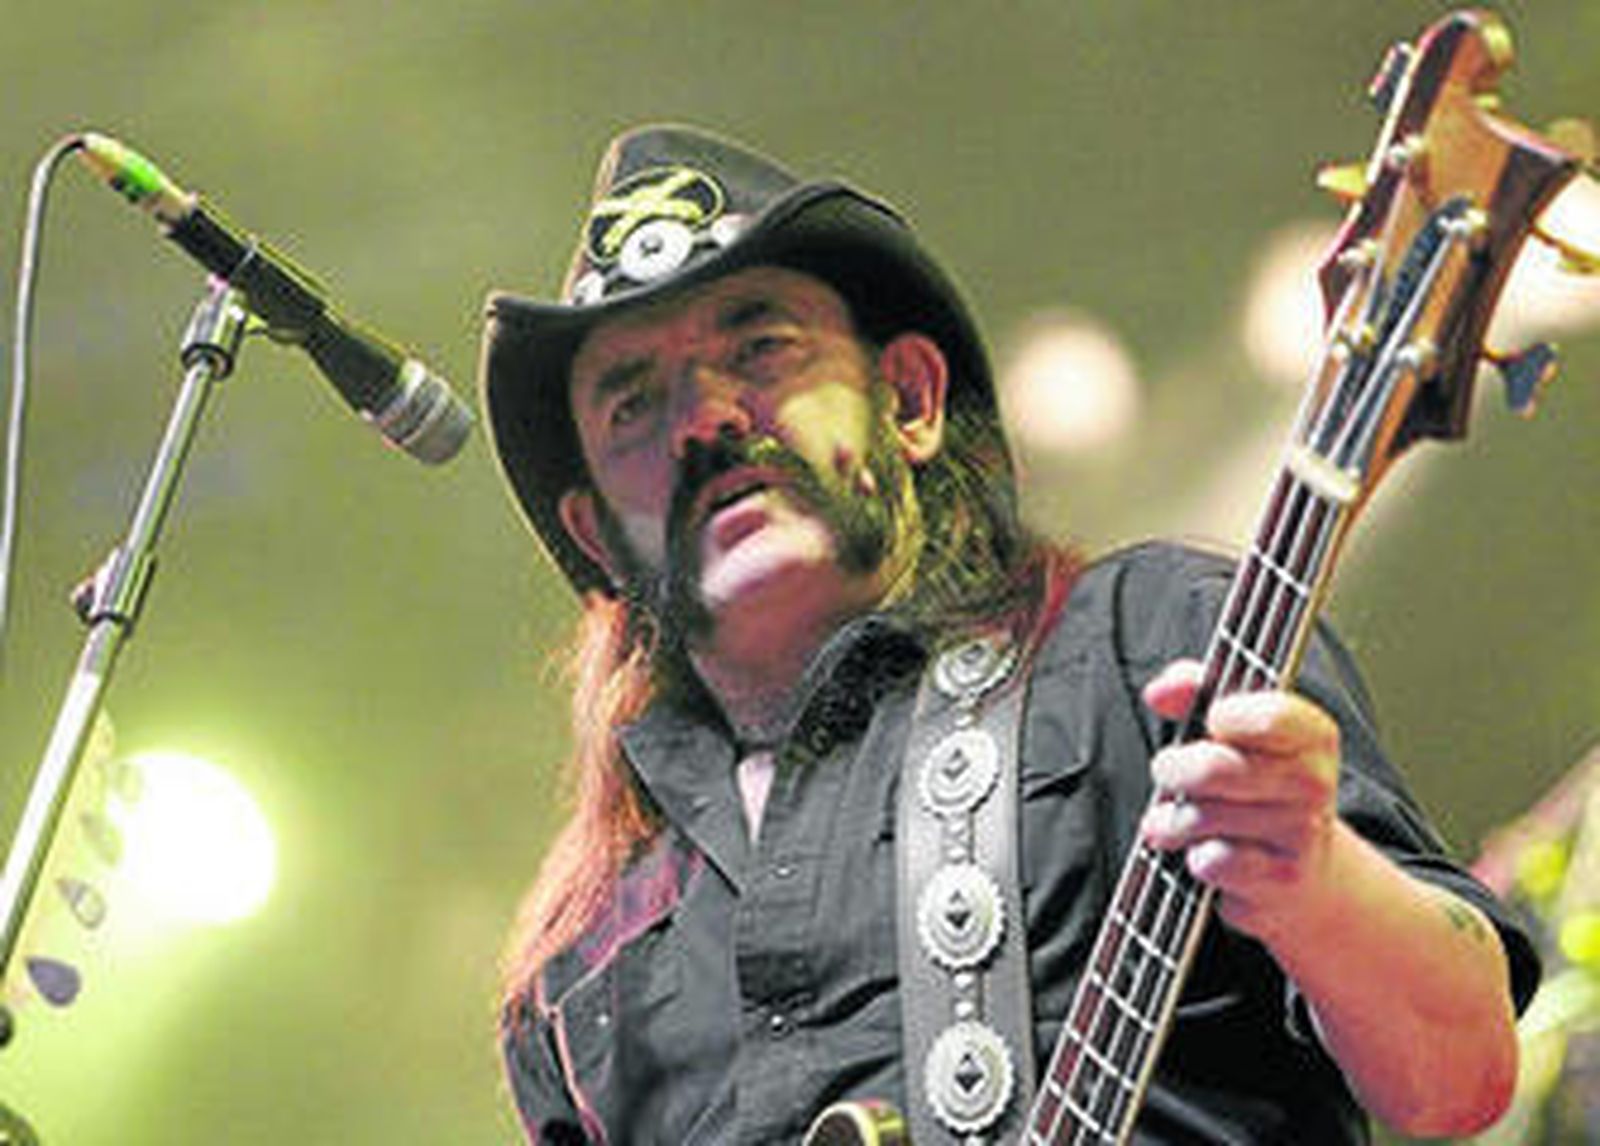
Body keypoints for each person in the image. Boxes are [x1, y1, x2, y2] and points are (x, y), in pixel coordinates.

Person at [478, 125, 1538, 1144]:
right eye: (631, 403)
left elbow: (1461, 1077)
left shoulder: (1151, 643)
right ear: (594, 536)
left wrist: (1311, 876)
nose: (703, 417)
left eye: (758, 346)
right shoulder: (581, 969)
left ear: (908, 400)